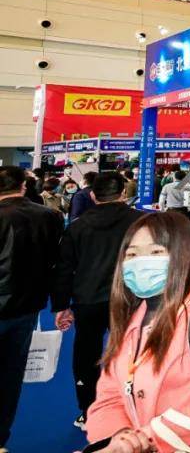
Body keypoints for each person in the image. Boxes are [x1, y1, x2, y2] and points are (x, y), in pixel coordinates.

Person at [86, 211, 190, 453]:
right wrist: (121, 438)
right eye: (132, 254)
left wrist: (148, 437)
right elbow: (110, 394)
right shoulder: (131, 315)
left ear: (180, 255)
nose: (141, 262)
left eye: (156, 252)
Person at [51, 171, 144, 429]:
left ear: (92, 195)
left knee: (86, 354)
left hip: (87, 299)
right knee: (133, 351)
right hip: (130, 299)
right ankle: (135, 407)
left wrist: (61, 306)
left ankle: (88, 409)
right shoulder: (140, 222)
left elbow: (64, 268)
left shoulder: (78, 226)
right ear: (123, 193)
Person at [0, 166, 63, 450]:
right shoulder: (50, 216)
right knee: (11, 375)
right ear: (23, 186)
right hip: (28, 305)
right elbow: (57, 262)